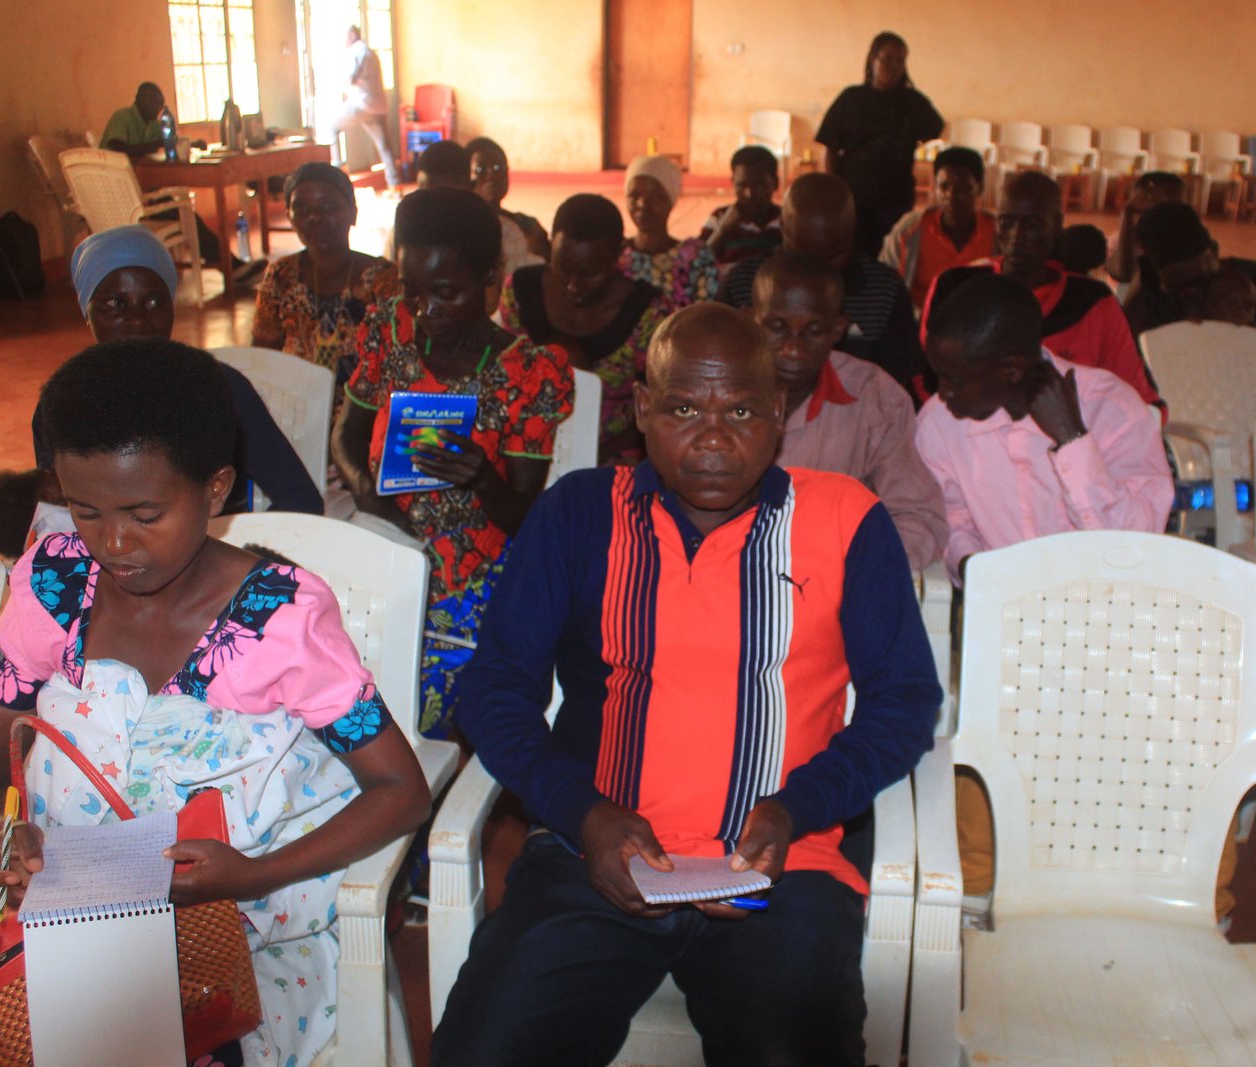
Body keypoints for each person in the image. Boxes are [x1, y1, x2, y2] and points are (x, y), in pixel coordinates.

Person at [431, 303, 941, 1066]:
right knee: (483, 1052)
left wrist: (796, 808)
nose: (712, 437)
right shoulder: (580, 513)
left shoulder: (846, 518)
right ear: (642, 410)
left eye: (741, 410)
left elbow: (905, 703)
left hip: (783, 868)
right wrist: (580, 812)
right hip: (591, 854)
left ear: (779, 412)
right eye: (682, 409)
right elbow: (495, 687)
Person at [0, 339, 431, 1067]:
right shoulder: (55, 586)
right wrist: (4, 835)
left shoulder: (279, 620)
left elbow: (400, 790)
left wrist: (254, 874)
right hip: (75, 941)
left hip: (240, 943)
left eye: (145, 513)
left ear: (216, 489)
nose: (114, 543)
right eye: (84, 511)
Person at [332, 187, 574, 736]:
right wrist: (365, 489)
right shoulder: (390, 332)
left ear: (490, 277)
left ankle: (443, 767)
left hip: (472, 575)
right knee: (321, 677)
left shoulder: (524, 373)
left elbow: (524, 519)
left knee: (424, 708)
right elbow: (347, 434)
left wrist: (482, 478)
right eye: (411, 290)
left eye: (446, 293)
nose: (426, 310)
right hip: (380, 541)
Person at [33, 225, 322, 517]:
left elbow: (301, 499)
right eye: (115, 304)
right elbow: (56, 518)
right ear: (87, 312)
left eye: (155, 303)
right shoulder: (63, 405)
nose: (137, 319)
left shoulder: (219, 389)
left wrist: (239, 545)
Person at [916, 273, 1173, 586]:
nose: (942, 392)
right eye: (939, 376)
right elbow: (950, 517)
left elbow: (1135, 547)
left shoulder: (1112, 408)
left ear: (1012, 369)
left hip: (1107, 598)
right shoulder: (937, 422)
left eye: (955, 380)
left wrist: (1072, 438)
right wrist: (972, 564)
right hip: (1002, 599)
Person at [755, 250, 945, 568]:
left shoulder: (876, 399)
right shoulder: (712, 392)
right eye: (777, 327)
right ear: (750, 319)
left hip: (837, 578)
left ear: (838, 329)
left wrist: (841, 567)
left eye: (813, 331)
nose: (793, 348)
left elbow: (921, 520)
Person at [930, 170, 1161, 409]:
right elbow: (928, 383)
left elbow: (1140, 400)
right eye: (1006, 223)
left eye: (1032, 225)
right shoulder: (956, 289)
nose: (1016, 236)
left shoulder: (1092, 304)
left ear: (1056, 226)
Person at [499, 193, 676, 464]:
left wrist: (588, 458)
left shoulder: (648, 313)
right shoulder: (521, 293)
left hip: (615, 458)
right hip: (526, 449)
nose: (573, 286)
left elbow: (662, 408)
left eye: (590, 273)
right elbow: (504, 381)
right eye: (562, 268)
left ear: (618, 255)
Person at [718, 172, 927, 396]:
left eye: (832, 257)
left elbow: (899, 381)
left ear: (852, 231)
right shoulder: (743, 284)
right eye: (802, 255)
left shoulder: (884, 291)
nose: (816, 272)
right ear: (783, 228)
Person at [1126, 201, 1256, 390]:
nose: (1193, 292)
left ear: (1214, 251)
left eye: (1201, 280)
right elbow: (1128, 364)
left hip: (1255, 391)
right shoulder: (1151, 295)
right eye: (1180, 287)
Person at [252, 162, 399, 387]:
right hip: (297, 401)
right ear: (289, 217)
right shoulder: (281, 276)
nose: (315, 217)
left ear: (353, 213)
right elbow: (263, 355)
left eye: (329, 207)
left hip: (367, 404)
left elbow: (401, 358)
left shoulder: (384, 279)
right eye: (302, 209)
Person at [100, 83, 260, 282]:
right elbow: (115, 146)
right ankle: (232, 268)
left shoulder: (154, 125)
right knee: (189, 219)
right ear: (139, 100)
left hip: (144, 194)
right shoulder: (123, 117)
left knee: (190, 218)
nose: (157, 108)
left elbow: (171, 142)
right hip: (124, 198)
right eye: (152, 102)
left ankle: (233, 266)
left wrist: (192, 144)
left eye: (160, 103)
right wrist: (155, 144)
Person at [816, 31, 944, 256]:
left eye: (900, 61)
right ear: (872, 59)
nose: (893, 66)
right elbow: (830, 147)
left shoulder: (911, 101)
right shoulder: (851, 99)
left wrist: (909, 142)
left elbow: (936, 127)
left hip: (895, 196)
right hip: (855, 194)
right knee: (853, 253)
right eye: (887, 59)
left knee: (888, 255)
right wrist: (834, 190)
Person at [879, 146, 995, 309]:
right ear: (935, 187)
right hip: (918, 319)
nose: (951, 194)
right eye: (944, 186)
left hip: (978, 320)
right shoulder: (911, 228)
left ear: (980, 187)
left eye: (963, 187)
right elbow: (884, 277)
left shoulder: (997, 232)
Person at [618, 154, 719, 306]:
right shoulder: (615, 255)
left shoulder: (697, 258)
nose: (642, 203)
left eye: (655, 196)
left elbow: (705, 313)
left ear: (671, 200)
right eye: (634, 195)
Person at [331, 25, 400, 189]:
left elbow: (350, 78)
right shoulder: (371, 53)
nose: (343, 41)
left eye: (345, 36)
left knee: (332, 127)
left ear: (352, 35)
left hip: (362, 104)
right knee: (384, 146)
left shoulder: (356, 53)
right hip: (378, 105)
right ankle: (395, 184)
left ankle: (336, 173)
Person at [469, 136, 550, 273]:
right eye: (481, 170)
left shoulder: (528, 226)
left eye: (498, 168)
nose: (491, 176)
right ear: (466, 177)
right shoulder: (461, 227)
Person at [698, 145, 783, 269]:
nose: (749, 194)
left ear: (775, 183)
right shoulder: (719, 218)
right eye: (741, 185)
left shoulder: (787, 221)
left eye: (758, 185)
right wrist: (722, 231)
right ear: (733, 182)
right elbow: (697, 265)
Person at [1104, 171, 1187, 287]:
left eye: (1179, 209)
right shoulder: (1120, 243)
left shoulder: (1189, 242)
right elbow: (1123, 274)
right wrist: (1128, 216)